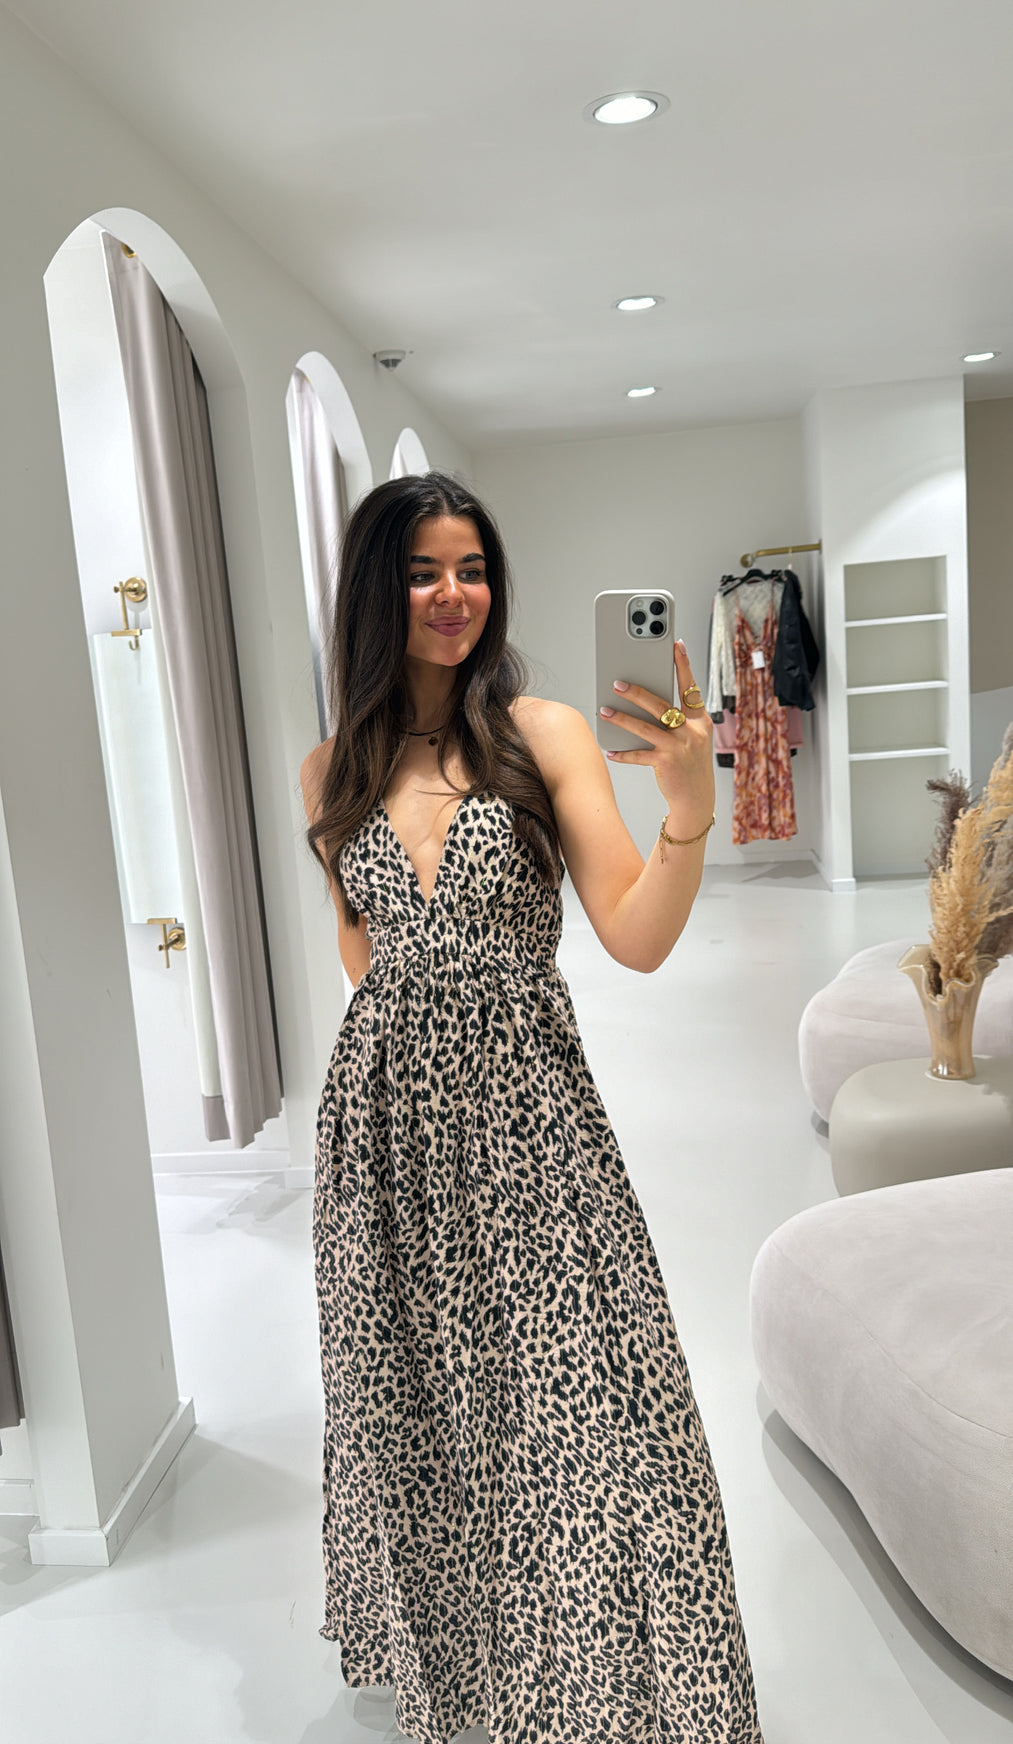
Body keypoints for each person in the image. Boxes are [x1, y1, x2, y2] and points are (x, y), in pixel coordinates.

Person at [299, 471, 763, 1744]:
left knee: (590, 1401)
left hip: (531, 1128)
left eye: (471, 568)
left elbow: (634, 937)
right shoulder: (330, 770)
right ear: (374, 592)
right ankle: (473, 1681)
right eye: (420, 572)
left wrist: (686, 812)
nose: (452, 594)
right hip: (383, 1145)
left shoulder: (541, 734)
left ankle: (616, 1688)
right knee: (427, 1412)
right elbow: (364, 958)